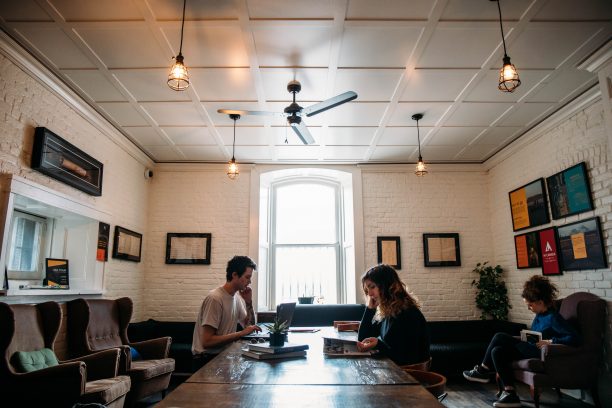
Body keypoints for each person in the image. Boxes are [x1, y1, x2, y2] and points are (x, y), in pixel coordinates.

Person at [463, 275, 580, 408]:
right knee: (497, 351)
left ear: (540, 302)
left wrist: (550, 341)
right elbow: (537, 335)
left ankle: (483, 370)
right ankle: (510, 394)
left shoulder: (553, 318)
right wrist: (529, 337)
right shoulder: (539, 315)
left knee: (499, 336)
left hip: (538, 352)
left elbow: (574, 338)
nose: (529, 308)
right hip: (529, 347)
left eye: (530, 305)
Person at [192, 255, 261, 365]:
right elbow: (207, 341)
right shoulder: (215, 298)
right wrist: (240, 334)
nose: (250, 282)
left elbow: (249, 327)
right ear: (234, 275)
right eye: (247, 277)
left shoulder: (236, 298)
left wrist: (249, 303)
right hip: (206, 359)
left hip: (223, 356)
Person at [356, 264, 430, 366]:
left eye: (372, 287)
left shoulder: (407, 313)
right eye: (367, 289)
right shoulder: (388, 311)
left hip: (410, 374)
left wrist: (378, 344)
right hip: (395, 369)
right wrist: (370, 309)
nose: (369, 294)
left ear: (386, 286)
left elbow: (405, 357)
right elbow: (363, 338)